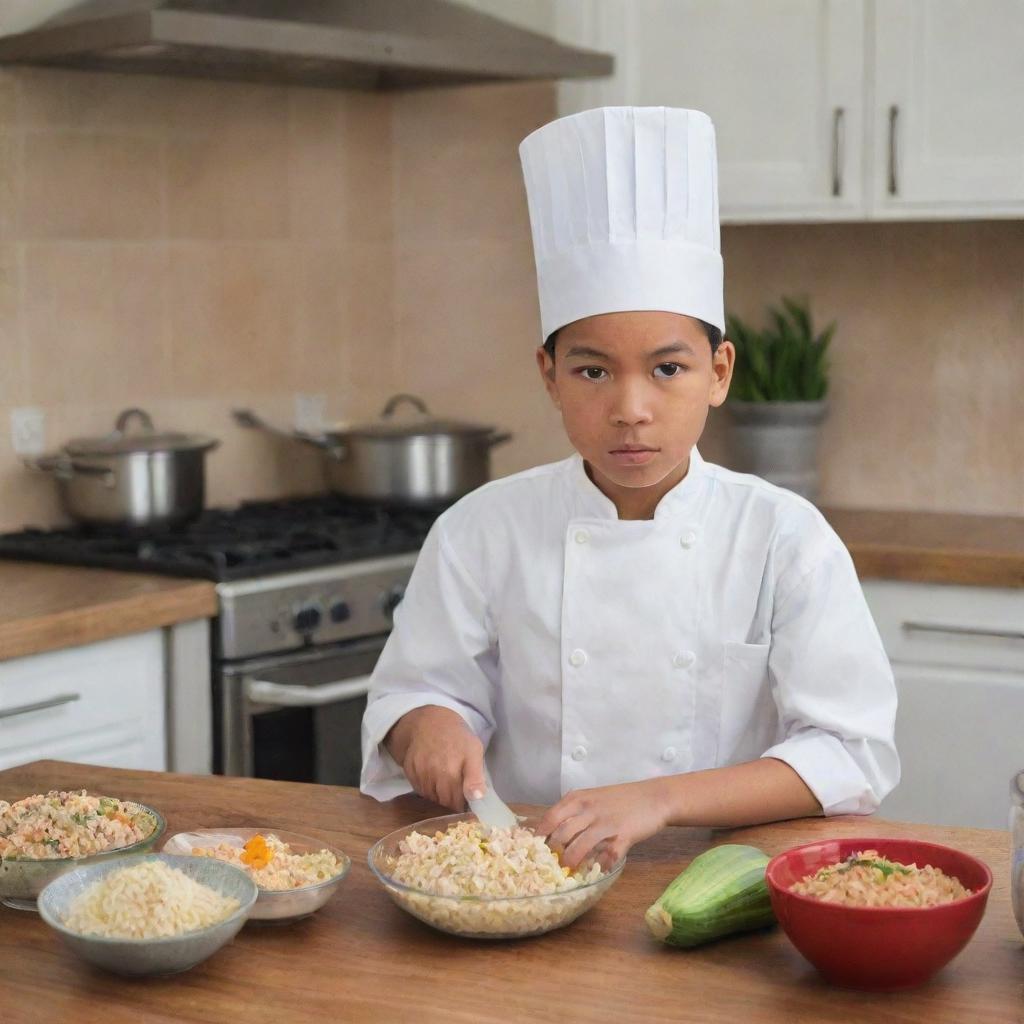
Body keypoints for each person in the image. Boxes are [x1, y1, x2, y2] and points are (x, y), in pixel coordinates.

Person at [360, 106, 899, 870]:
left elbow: (851, 753)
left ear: (719, 374)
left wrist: (661, 797)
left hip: (713, 880)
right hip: (523, 875)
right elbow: (413, 694)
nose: (630, 409)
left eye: (667, 368)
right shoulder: (481, 528)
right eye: (592, 370)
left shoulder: (784, 536)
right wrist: (429, 726)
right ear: (549, 376)